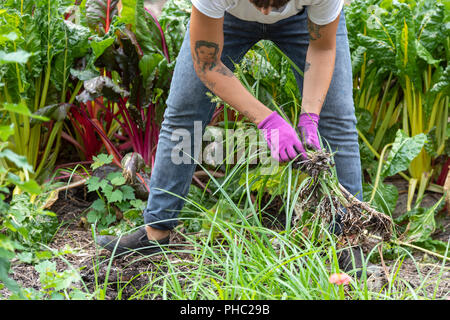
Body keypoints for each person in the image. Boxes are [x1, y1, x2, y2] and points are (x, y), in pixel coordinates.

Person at [98, 0, 364, 275]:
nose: (265, 11)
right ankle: (155, 235)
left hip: (303, 20)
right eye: (260, 3)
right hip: (226, 17)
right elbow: (207, 63)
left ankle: (348, 241)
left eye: (275, 4)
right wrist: (267, 120)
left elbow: (322, 47)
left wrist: (310, 116)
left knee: (337, 120)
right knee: (185, 113)